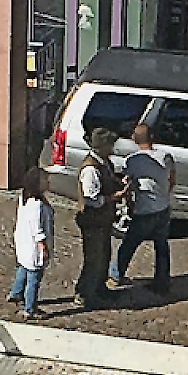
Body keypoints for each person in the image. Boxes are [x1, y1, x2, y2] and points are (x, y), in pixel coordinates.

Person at [108, 123, 175, 296]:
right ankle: (162, 283)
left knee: (129, 244)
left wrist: (130, 204)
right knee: (161, 247)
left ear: (134, 139)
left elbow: (128, 185)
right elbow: (172, 179)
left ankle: (116, 274)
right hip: (163, 207)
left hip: (144, 209)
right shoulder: (166, 156)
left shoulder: (132, 161)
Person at [74, 127, 129, 310]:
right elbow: (92, 199)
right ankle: (85, 294)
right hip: (93, 220)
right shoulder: (91, 169)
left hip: (103, 219)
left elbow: (109, 179)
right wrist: (115, 196)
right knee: (94, 259)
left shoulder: (104, 162)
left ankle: (99, 288)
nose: (114, 147)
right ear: (102, 146)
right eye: (111, 144)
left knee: (104, 255)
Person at [6, 167, 54, 321]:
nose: (48, 183)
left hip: (23, 241)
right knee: (34, 277)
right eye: (45, 181)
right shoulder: (37, 205)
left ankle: (16, 293)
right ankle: (30, 308)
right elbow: (37, 229)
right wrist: (44, 248)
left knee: (24, 268)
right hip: (33, 247)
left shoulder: (24, 197)